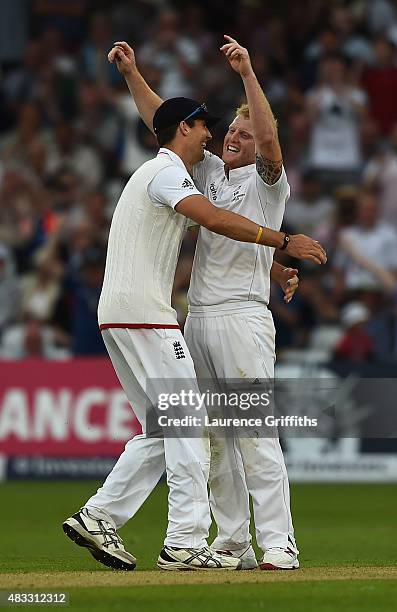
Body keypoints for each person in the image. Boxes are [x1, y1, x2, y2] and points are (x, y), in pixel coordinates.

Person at [62, 40, 326, 573]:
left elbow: (268, 141)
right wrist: (133, 74)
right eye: (229, 129)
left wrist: (248, 72)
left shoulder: (269, 182)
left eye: (243, 134)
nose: (232, 136)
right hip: (196, 317)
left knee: (251, 433)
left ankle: (278, 541)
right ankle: (230, 542)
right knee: (209, 440)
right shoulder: (203, 172)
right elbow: (167, 122)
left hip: (243, 316)